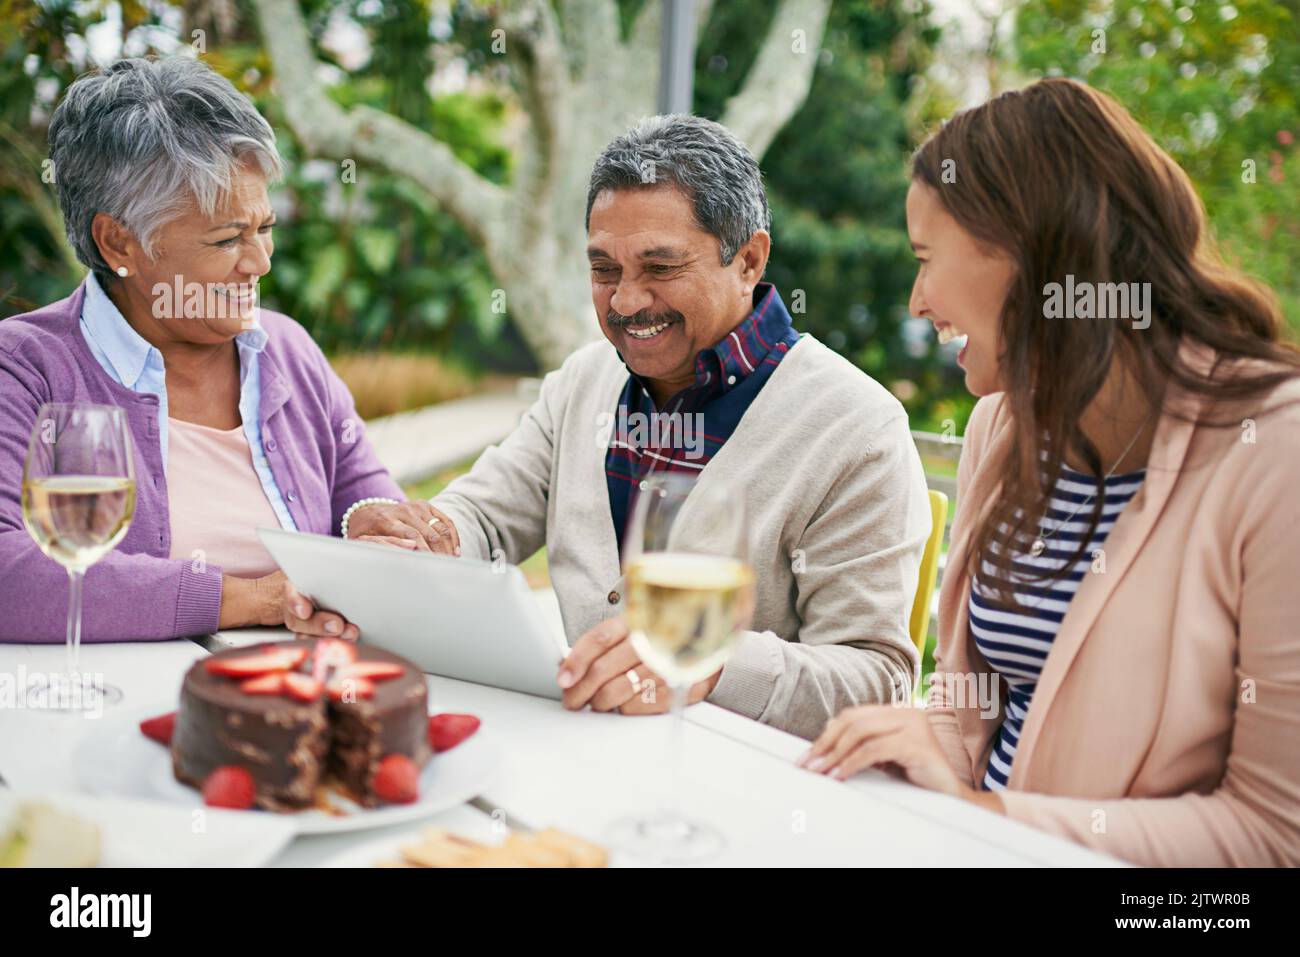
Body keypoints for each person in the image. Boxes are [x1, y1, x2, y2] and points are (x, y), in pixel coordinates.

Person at [290, 115, 932, 740]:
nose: (626, 302)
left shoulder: (858, 427)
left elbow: (876, 678)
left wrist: (709, 660)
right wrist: (423, 539)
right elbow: (484, 516)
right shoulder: (582, 382)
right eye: (605, 270)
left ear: (749, 260)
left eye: (660, 268)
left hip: (744, 795)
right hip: (588, 755)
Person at [801, 78, 1300, 866]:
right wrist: (910, 747)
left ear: (1030, 250)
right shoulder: (1002, 424)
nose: (917, 299)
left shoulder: (1274, 452)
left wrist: (983, 813)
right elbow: (976, 709)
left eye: (927, 259)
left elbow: (1274, 835)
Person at [0, 56, 452, 643]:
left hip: (305, 697)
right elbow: (9, 572)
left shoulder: (286, 349)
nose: (261, 262)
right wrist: (245, 599)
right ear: (119, 242)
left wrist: (372, 525)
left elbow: (362, 496)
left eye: (263, 228)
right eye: (227, 238)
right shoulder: (27, 366)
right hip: (133, 707)